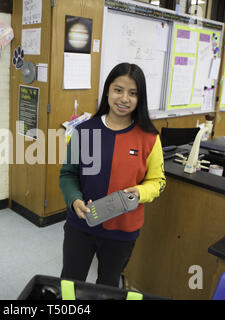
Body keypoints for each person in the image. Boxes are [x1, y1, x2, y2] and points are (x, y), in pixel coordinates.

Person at [59, 63, 166, 288]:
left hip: (123, 228)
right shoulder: (85, 131)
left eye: (133, 93)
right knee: (69, 283)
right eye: (118, 90)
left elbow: (158, 182)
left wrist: (141, 192)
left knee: (108, 286)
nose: (124, 98)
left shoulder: (149, 138)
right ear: (107, 91)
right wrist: (74, 199)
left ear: (140, 98)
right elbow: (68, 174)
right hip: (81, 224)